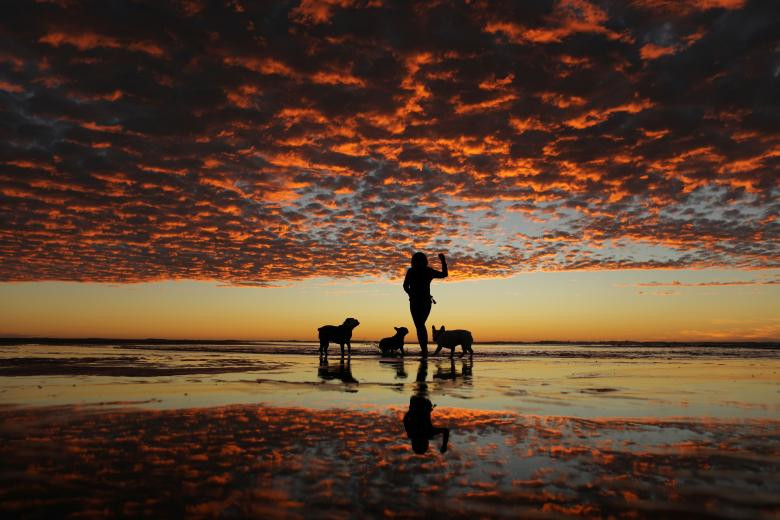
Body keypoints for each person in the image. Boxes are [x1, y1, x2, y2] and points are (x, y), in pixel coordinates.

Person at [403, 252, 447, 357]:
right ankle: (424, 350)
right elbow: (405, 286)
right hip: (419, 301)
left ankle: (424, 351)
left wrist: (411, 294)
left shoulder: (415, 271)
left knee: (420, 325)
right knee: (420, 325)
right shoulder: (424, 271)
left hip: (420, 301)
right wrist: (443, 261)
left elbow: (405, 286)